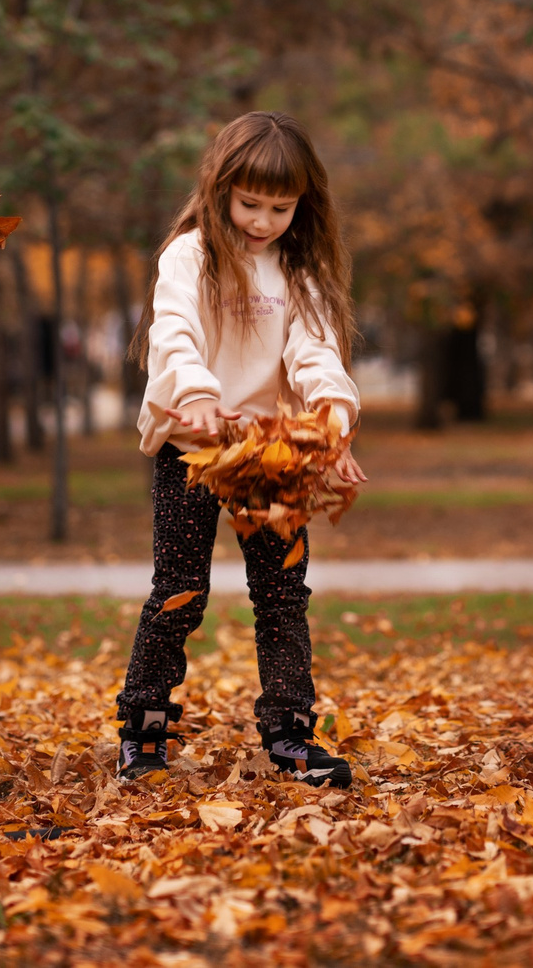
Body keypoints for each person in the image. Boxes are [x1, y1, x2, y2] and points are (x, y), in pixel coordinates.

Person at [114, 111, 368, 787]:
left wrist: (331, 426)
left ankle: (289, 735)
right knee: (180, 591)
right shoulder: (190, 255)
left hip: (270, 457)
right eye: (249, 202)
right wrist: (194, 392)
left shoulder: (298, 271)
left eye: (279, 207)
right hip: (193, 448)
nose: (261, 220)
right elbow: (174, 333)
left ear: (300, 205)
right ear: (221, 187)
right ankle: (143, 731)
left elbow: (316, 356)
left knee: (282, 595)